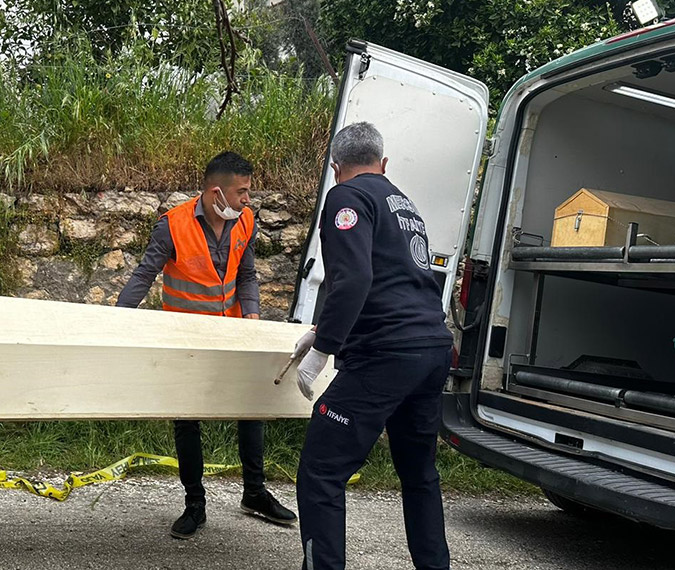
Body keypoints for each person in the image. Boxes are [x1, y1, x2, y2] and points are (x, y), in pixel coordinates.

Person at [292, 122, 453, 570]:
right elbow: (391, 278)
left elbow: (355, 276)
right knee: (419, 474)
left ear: (335, 166)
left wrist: (324, 348)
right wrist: (325, 325)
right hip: (431, 348)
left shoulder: (347, 195)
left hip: (387, 354)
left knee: (322, 472)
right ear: (383, 164)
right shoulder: (402, 203)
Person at [116, 151, 297, 540]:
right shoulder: (172, 226)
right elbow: (144, 274)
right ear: (217, 192)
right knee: (187, 419)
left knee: (251, 410)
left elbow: (246, 274)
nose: (248, 199)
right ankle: (194, 505)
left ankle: (254, 494)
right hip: (185, 339)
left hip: (233, 333)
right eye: (242, 192)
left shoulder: (245, 221)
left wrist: (251, 313)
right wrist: (115, 321)